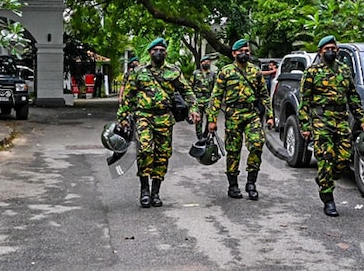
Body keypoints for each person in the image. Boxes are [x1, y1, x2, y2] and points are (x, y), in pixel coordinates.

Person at [117, 38, 199, 208]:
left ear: (166, 53)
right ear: (149, 53)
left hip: (164, 118)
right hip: (144, 116)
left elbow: (187, 91)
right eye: (155, 50)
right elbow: (129, 96)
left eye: (162, 49)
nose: (159, 52)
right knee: (145, 150)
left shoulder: (173, 71)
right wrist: (123, 117)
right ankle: (144, 190)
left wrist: (194, 108)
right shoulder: (139, 72)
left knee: (162, 155)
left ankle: (155, 192)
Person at [298, 35, 364, 217]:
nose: (331, 51)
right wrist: (305, 125)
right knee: (325, 157)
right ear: (321, 52)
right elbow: (304, 101)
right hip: (321, 120)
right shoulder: (312, 72)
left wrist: (361, 119)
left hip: (340, 119)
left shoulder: (344, 70)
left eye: (333, 48)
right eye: (326, 48)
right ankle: (328, 198)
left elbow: (353, 96)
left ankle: (324, 177)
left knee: (344, 158)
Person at [206, 39, 274, 201]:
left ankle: (251, 183)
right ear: (234, 54)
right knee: (233, 151)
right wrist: (212, 119)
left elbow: (264, 95)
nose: (244, 53)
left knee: (257, 144)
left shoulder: (255, 71)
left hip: (251, 114)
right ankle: (233, 185)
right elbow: (216, 97)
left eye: (247, 50)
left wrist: (270, 116)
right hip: (233, 115)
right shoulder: (226, 72)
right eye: (240, 51)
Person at [191, 55, 215, 138]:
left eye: (208, 61)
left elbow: (215, 87)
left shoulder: (212, 74)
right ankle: (199, 136)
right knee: (198, 119)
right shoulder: (195, 73)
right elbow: (190, 85)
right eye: (205, 61)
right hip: (198, 99)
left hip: (208, 100)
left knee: (210, 118)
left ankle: (206, 134)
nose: (206, 63)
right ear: (201, 63)